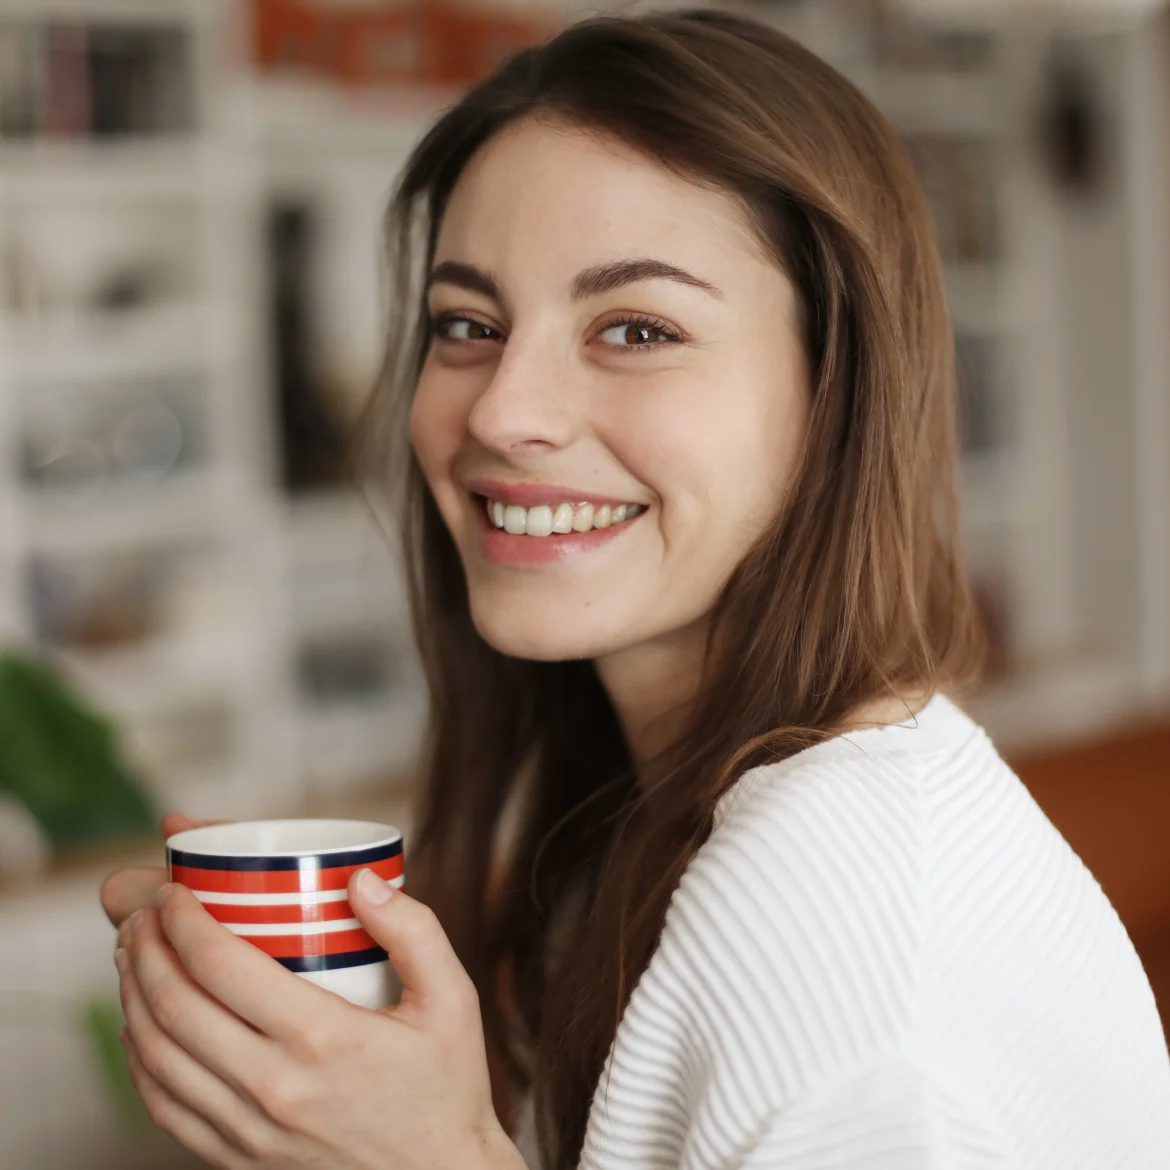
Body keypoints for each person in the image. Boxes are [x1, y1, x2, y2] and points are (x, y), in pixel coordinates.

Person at [99, 9, 1170, 1169]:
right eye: (467, 324)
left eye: (638, 328)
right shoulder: (657, 834)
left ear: (837, 393)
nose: (504, 410)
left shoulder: (869, 992)